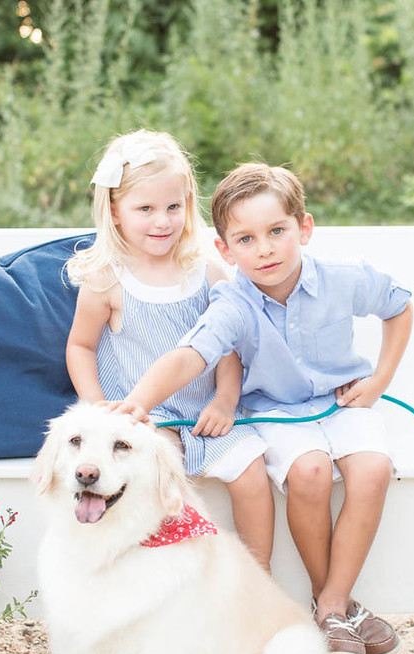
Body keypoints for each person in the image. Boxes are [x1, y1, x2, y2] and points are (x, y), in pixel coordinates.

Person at [114, 162, 414, 654]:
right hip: (274, 412)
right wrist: (137, 404)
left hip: (342, 401)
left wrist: (380, 379)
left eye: (277, 231)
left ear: (304, 228)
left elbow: (399, 306)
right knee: (311, 471)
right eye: (246, 239)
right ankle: (333, 604)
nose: (266, 249)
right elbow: (192, 354)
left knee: (373, 469)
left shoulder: (343, 278)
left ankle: (332, 602)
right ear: (225, 251)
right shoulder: (232, 301)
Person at [65, 133, 273, 569]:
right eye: (145, 209)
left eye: (173, 208)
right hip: (142, 417)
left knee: (251, 471)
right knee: (151, 474)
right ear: (115, 212)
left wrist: (225, 400)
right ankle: (162, 575)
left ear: (187, 204)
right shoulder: (107, 278)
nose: (162, 221)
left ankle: (257, 574)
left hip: (206, 415)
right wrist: (96, 407)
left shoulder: (206, 270)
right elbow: (81, 346)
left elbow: (228, 348)